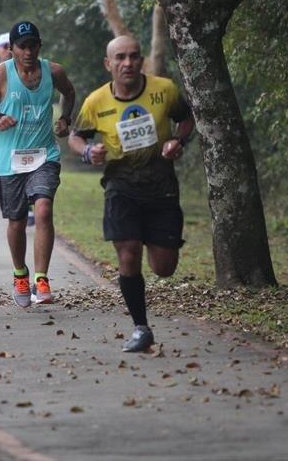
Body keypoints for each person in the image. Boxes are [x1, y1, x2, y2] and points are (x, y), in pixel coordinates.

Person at [68, 35, 194, 352]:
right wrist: (87, 153)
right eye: (120, 57)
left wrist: (178, 142)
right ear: (108, 64)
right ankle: (141, 327)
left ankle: (158, 244)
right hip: (120, 185)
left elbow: (187, 120)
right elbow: (76, 137)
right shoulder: (96, 101)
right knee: (128, 250)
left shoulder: (164, 90)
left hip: (161, 185)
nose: (128, 63)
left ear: (141, 61)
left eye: (134, 56)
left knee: (164, 267)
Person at [0, 21, 75, 308]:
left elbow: (69, 93)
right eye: (22, 46)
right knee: (17, 221)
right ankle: (20, 274)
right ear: (12, 49)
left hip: (44, 155)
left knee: (44, 209)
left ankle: (42, 278)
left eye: (33, 45)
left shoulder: (54, 71)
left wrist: (65, 119)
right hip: (10, 161)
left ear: (39, 46)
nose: (28, 51)